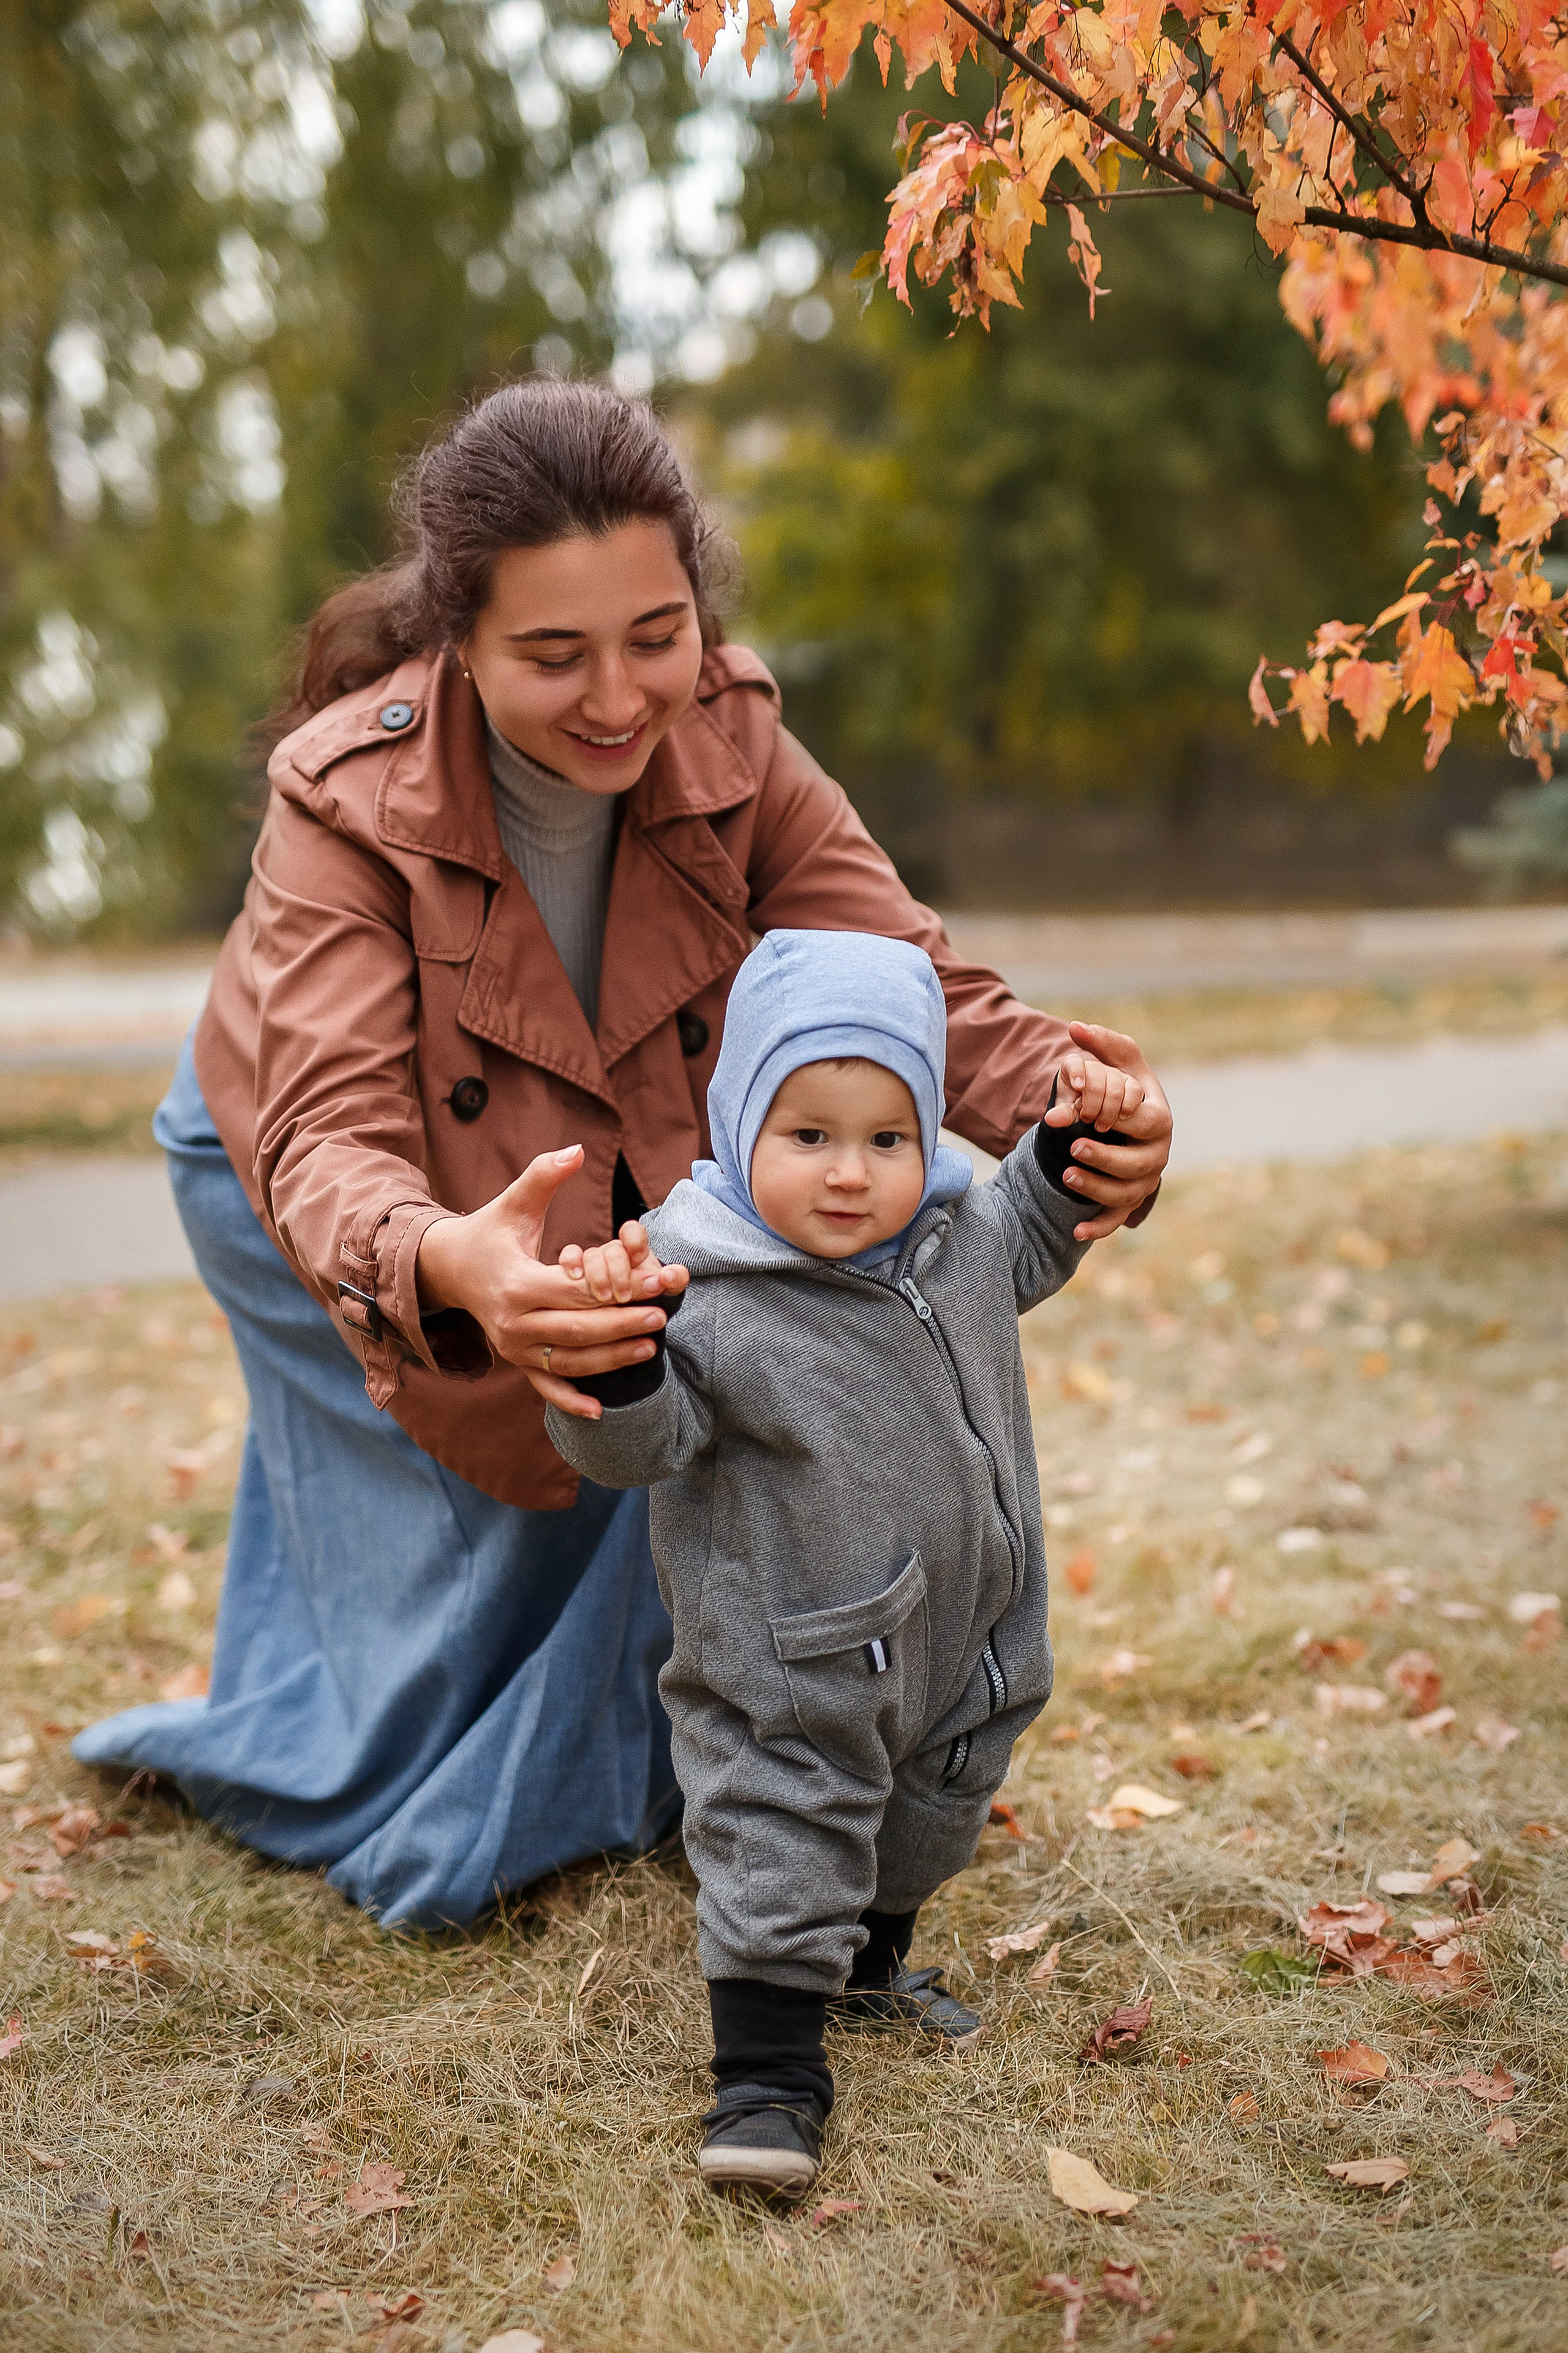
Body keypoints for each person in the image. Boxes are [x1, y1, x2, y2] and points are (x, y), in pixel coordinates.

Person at [74, 377, 1172, 1930]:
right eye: (551, 654)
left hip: (556, 1173)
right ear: (455, 635)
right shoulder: (339, 798)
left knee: (620, 1442)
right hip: (302, 1182)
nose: (615, 697)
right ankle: (361, 1756)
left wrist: (1071, 1093)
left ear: (698, 607)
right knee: (449, 1518)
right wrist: (446, 1261)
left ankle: (620, 1756)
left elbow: (904, 978)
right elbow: (321, 1130)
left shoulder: (734, 739)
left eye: (653, 636)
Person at [545, 929, 1143, 2198]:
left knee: (931, 1803)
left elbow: (1035, 1228)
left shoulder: (956, 1238)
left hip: (969, 1633)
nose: (848, 1173)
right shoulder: (697, 1289)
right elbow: (631, 1450)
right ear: (737, 1121)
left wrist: (1069, 1136)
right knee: (788, 1828)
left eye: (886, 1137)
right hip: (793, 1655)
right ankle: (764, 2074)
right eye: (806, 1133)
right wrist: (617, 1360)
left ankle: (870, 1964)